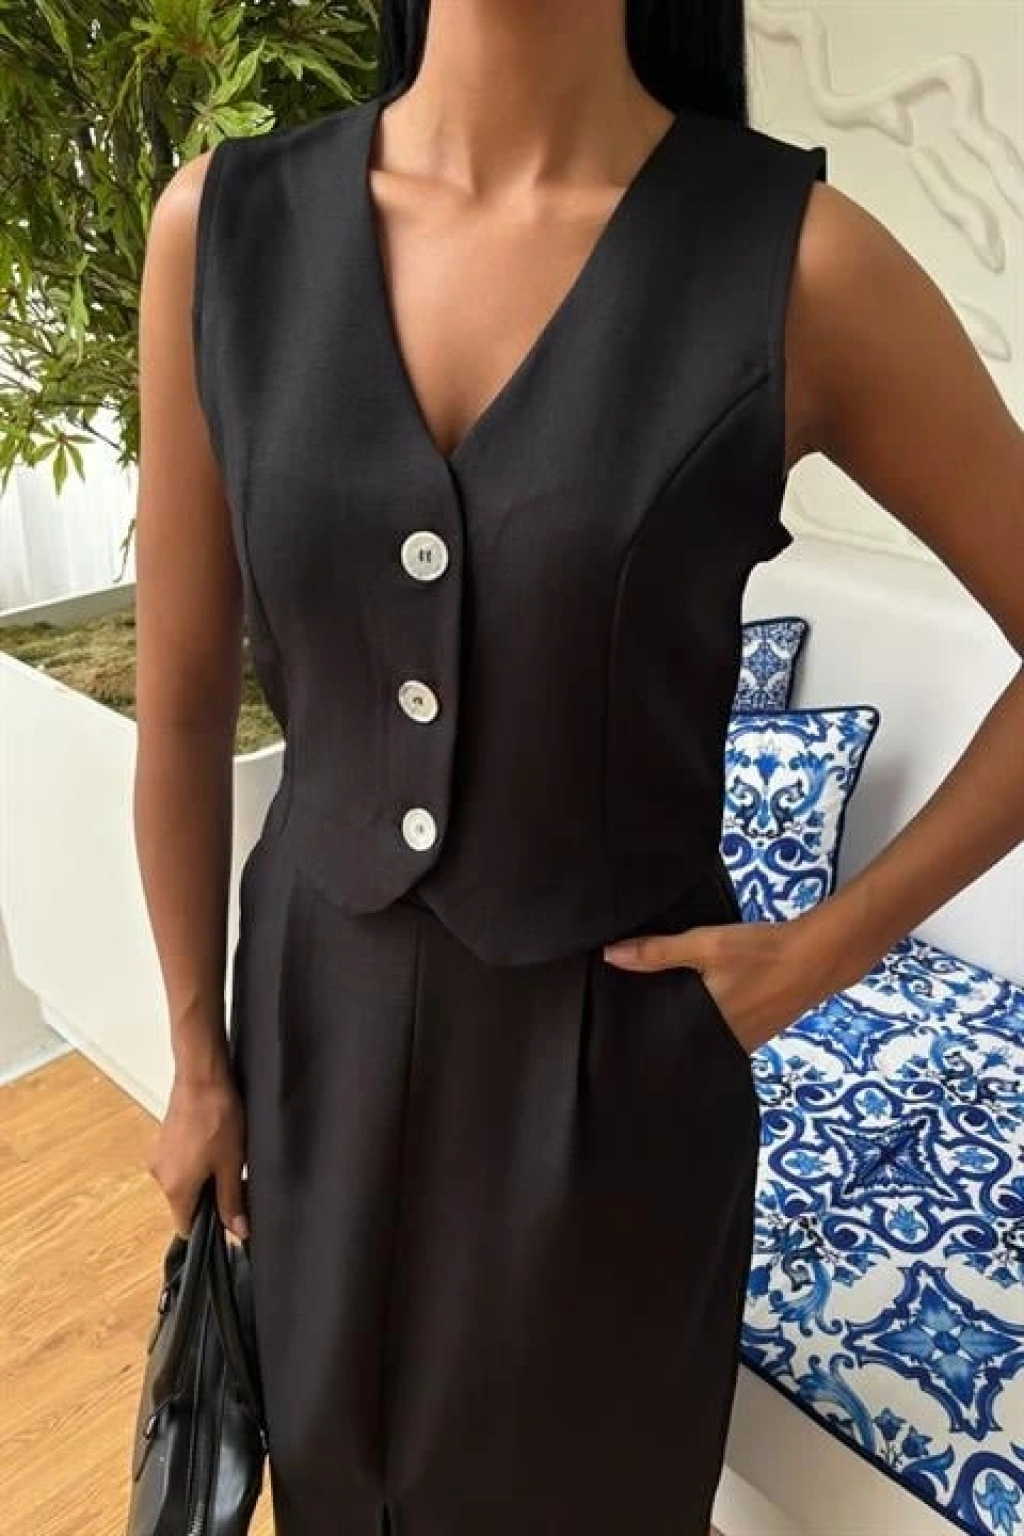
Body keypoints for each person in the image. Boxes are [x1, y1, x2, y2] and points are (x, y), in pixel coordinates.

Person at [133, 2, 1024, 1532]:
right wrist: (198, 1060)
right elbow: (181, 699)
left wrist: (828, 947)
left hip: (617, 1098)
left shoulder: (796, 264)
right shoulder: (221, 230)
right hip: (309, 1052)